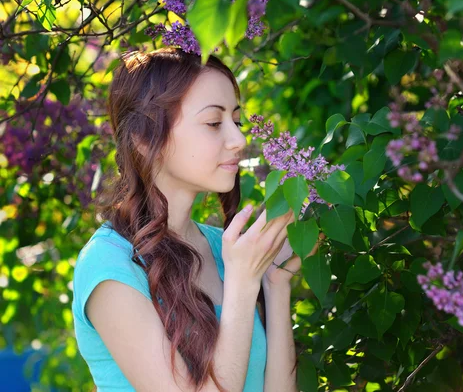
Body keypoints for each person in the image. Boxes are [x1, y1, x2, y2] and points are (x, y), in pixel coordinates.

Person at [72, 47, 309, 392]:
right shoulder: (110, 265)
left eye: (237, 121)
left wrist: (275, 284)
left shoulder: (227, 251)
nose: (239, 139)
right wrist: (243, 284)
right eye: (214, 123)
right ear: (142, 137)